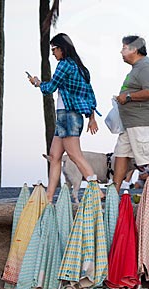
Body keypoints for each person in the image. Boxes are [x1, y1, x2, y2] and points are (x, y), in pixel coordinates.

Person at [28, 33, 99, 203]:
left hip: (67, 115)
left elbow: (50, 88)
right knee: (54, 156)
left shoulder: (64, 65)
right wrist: (91, 117)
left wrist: (37, 83)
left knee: (75, 155)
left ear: (61, 48)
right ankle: (49, 196)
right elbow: (90, 94)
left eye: (54, 49)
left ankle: (97, 191)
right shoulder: (80, 68)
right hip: (69, 116)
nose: (53, 53)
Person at [112, 35, 149, 201]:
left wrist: (127, 97)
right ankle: (114, 191)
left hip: (142, 121)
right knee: (121, 154)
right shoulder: (138, 67)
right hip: (131, 122)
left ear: (134, 49)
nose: (121, 51)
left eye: (124, 48)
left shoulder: (145, 67)